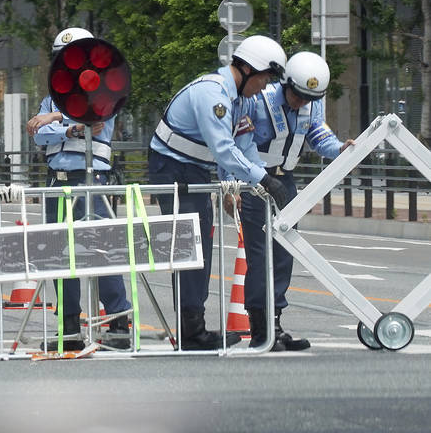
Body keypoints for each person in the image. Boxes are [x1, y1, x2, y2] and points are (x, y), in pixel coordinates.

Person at [147, 34, 290, 350]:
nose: (266, 86)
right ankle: (191, 332)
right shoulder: (213, 94)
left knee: (201, 242)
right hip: (171, 167)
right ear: (248, 69)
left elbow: (244, 146)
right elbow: (223, 149)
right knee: (189, 244)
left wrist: (239, 185)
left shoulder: (243, 100)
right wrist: (264, 180)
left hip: (195, 169)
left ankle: (193, 328)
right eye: (265, 78)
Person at [243, 51, 354, 350]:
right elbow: (236, 144)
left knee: (284, 253)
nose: (301, 102)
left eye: (308, 98)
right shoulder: (258, 99)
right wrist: (233, 188)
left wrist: (341, 149)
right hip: (255, 181)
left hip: (286, 181)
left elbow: (320, 137)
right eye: (297, 95)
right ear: (285, 83)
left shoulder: (312, 105)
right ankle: (259, 329)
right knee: (259, 254)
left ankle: (276, 324)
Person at [28, 27, 132, 349]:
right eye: (61, 59)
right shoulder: (50, 98)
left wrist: (56, 120)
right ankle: (69, 329)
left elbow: (91, 115)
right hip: (57, 182)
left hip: (91, 182)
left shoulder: (106, 93)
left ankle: (118, 325)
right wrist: (64, 127)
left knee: (102, 251)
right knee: (60, 256)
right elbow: (38, 135)